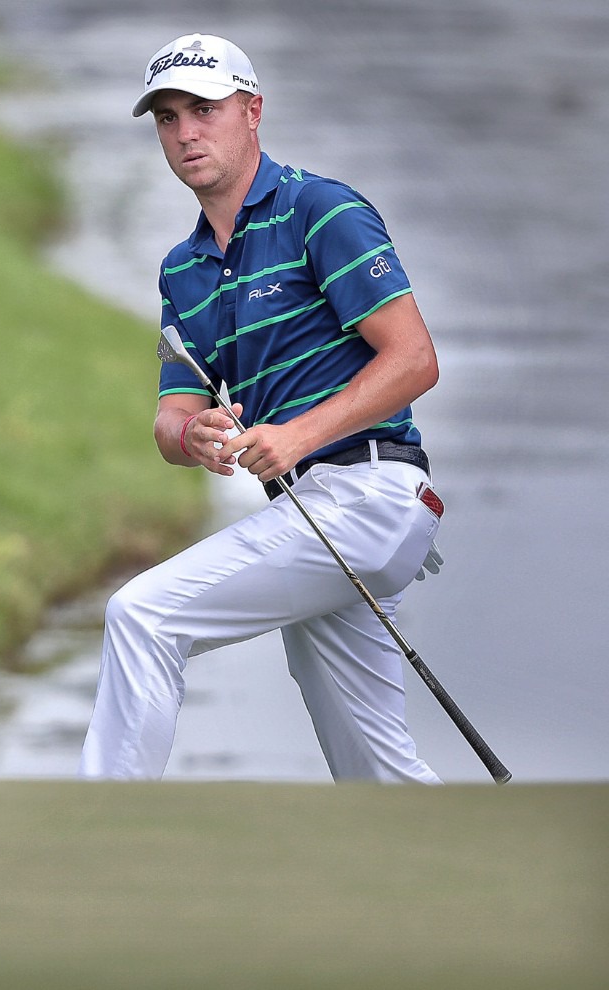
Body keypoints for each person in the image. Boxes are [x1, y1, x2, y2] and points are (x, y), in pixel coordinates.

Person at [78, 33, 445, 783]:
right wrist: (197, 435)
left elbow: (413, 359)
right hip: (309, 513)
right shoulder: (182, 269)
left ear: (252, 110)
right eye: (168, 118)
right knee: (375, 773)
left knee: (143, 615)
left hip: (370, 495)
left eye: (204, 110)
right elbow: (171, 417)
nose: (185, 133)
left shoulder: (321, 210)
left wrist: (300, 434)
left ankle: (99, 845)